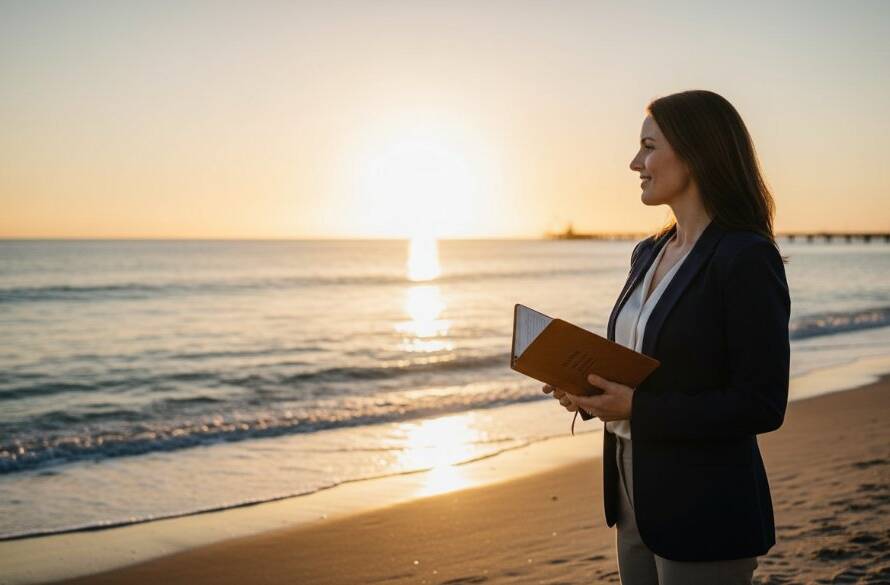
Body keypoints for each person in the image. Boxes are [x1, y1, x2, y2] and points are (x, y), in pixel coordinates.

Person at [542, 89, 791, 585]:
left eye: (649, 146)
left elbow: (762, 404)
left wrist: (636, 408)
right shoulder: (648, 252)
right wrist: (590, 392)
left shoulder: (743, 257)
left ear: (696, 154)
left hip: (704, 499)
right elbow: (648, 368)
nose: (636, 162)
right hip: (630, 487)